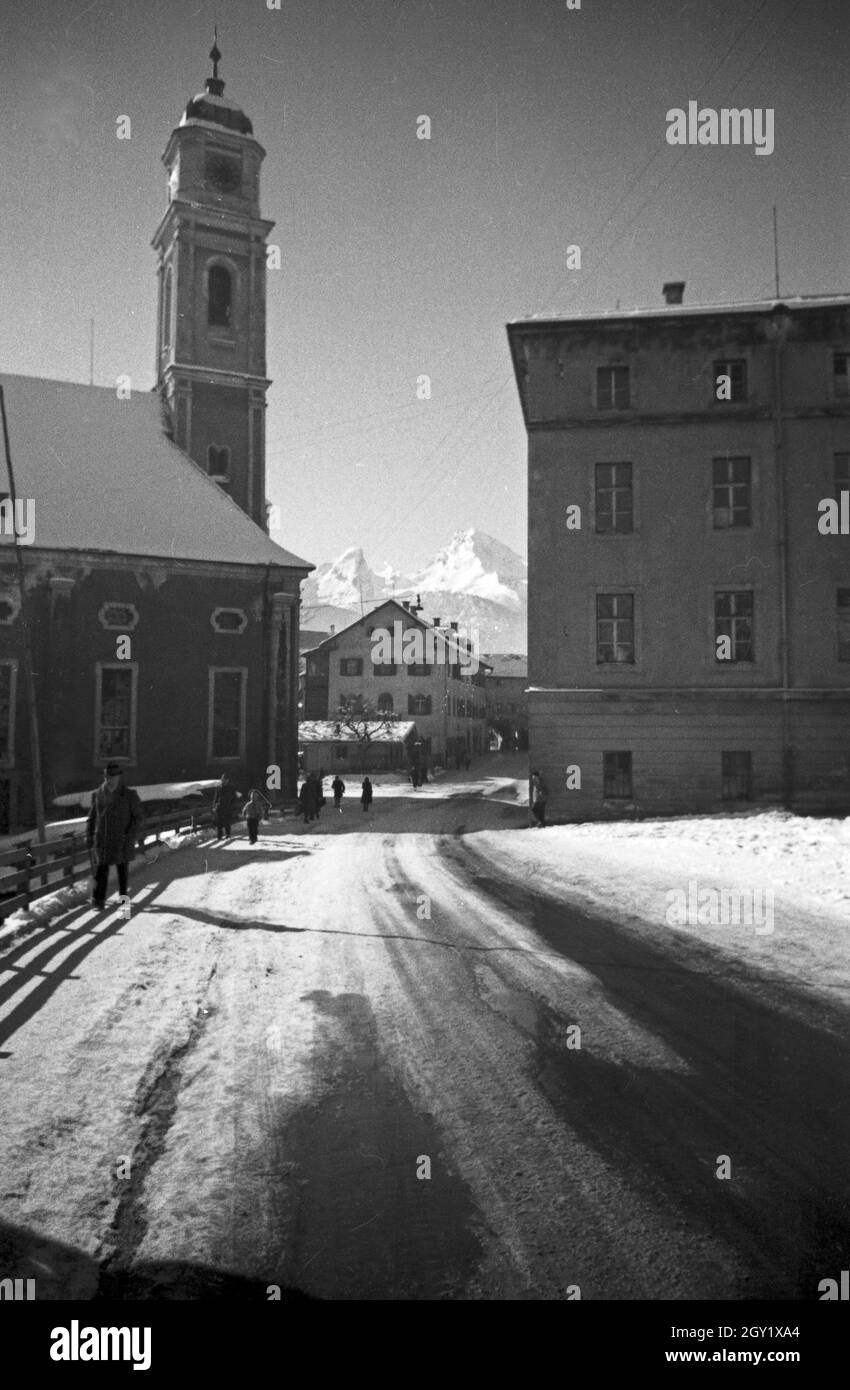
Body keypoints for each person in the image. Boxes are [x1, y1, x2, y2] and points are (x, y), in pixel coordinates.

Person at [87, 762, 143, 910]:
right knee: (101, 872)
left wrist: (129, 836)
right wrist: (89, 835)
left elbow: (137, 818)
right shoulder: (98, 795)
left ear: (119, 778)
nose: (110, 779)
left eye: (113, 776)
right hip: (103, 840)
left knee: (122, 873)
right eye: (107, 777)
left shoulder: (129, 795)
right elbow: (92, 817)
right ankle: (98, 902)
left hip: (121, 840)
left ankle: (124, 901)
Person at [212, 773, 239, 838]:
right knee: (219, 822)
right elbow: (216, 797)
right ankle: (219, 835)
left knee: (227, 821)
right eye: (222, 779)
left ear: (227, 780)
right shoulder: (219, 787)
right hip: (220, 806)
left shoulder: (231, 788)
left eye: (224, 779)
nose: (222, 780)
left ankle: (228, 834)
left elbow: (234, 798)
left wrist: (232, 806)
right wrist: (214, 806)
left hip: (228, 806)